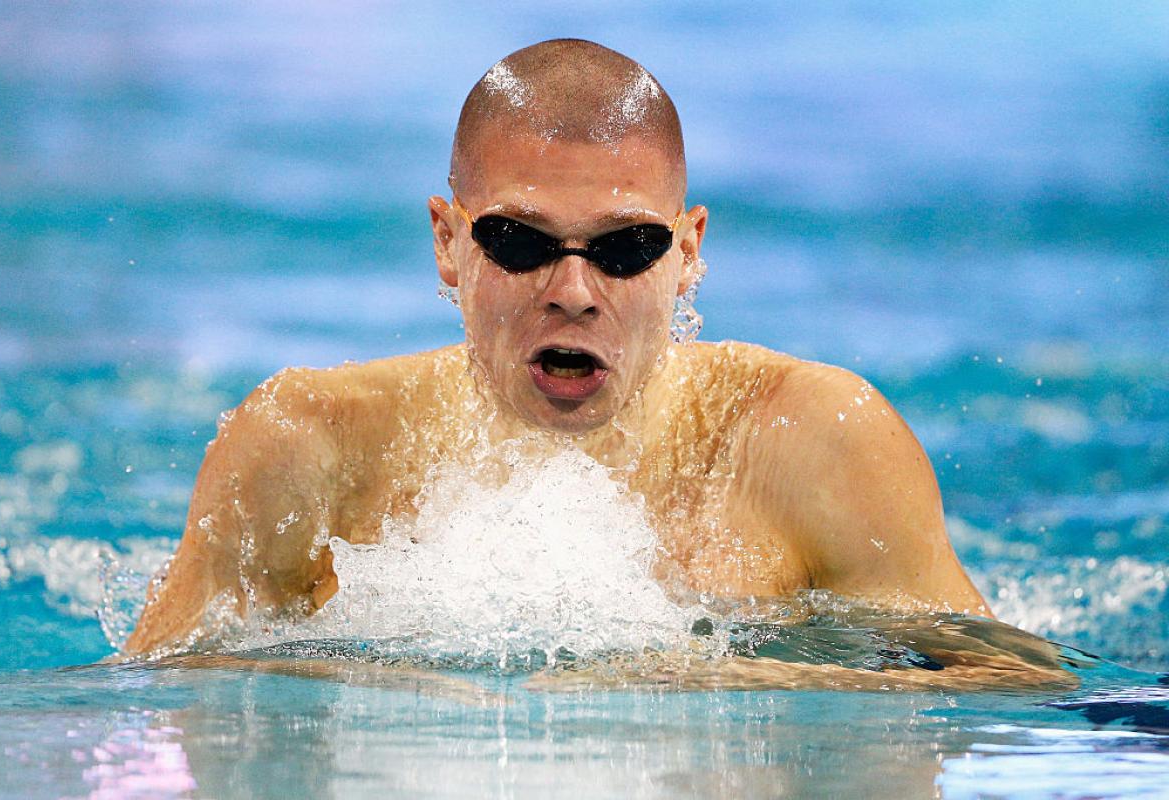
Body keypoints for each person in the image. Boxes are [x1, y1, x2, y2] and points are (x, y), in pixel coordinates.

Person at [125, 38, 993, 658]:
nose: (573, 292)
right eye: (519, 241)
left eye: (624, 249)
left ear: (687, 253)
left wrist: (695, 679)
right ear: (447, 242)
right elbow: (151, 705)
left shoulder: (814, 443)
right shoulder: (305, 448)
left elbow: (1003, 689)